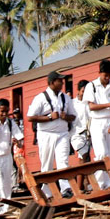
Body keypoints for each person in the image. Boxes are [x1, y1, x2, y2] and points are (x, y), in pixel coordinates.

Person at [27, 71, 76, 199]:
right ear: (51, 83)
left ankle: (65, 189)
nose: (62, 83)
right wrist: (49, 117)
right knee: (47, 164)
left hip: (62, 133)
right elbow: (30, 117)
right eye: (59, 80)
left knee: (63, 161)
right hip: (46, 134)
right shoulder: (40, 98)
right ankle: (47, 192)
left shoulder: (66, 98)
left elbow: (73, 116)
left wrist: (66, 117)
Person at [83, 60, 110, 190]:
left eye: (109, 75)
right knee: (101, 153)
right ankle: (99, 184)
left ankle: (109, 183)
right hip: (97, 121)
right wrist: (109, 104)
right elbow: (91, 106)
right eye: (105, 75)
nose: (107, 78)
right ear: (99, 73)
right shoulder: (91, 86)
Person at [70, 79, 93, 194]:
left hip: (88, 135)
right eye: (83, 91)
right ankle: (81, 187)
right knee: (83, 157)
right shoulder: (72, 103)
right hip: (76, 135)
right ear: (78, 91)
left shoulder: (89, 103)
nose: (84, 94)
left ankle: (84, 186)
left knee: (85, 159)